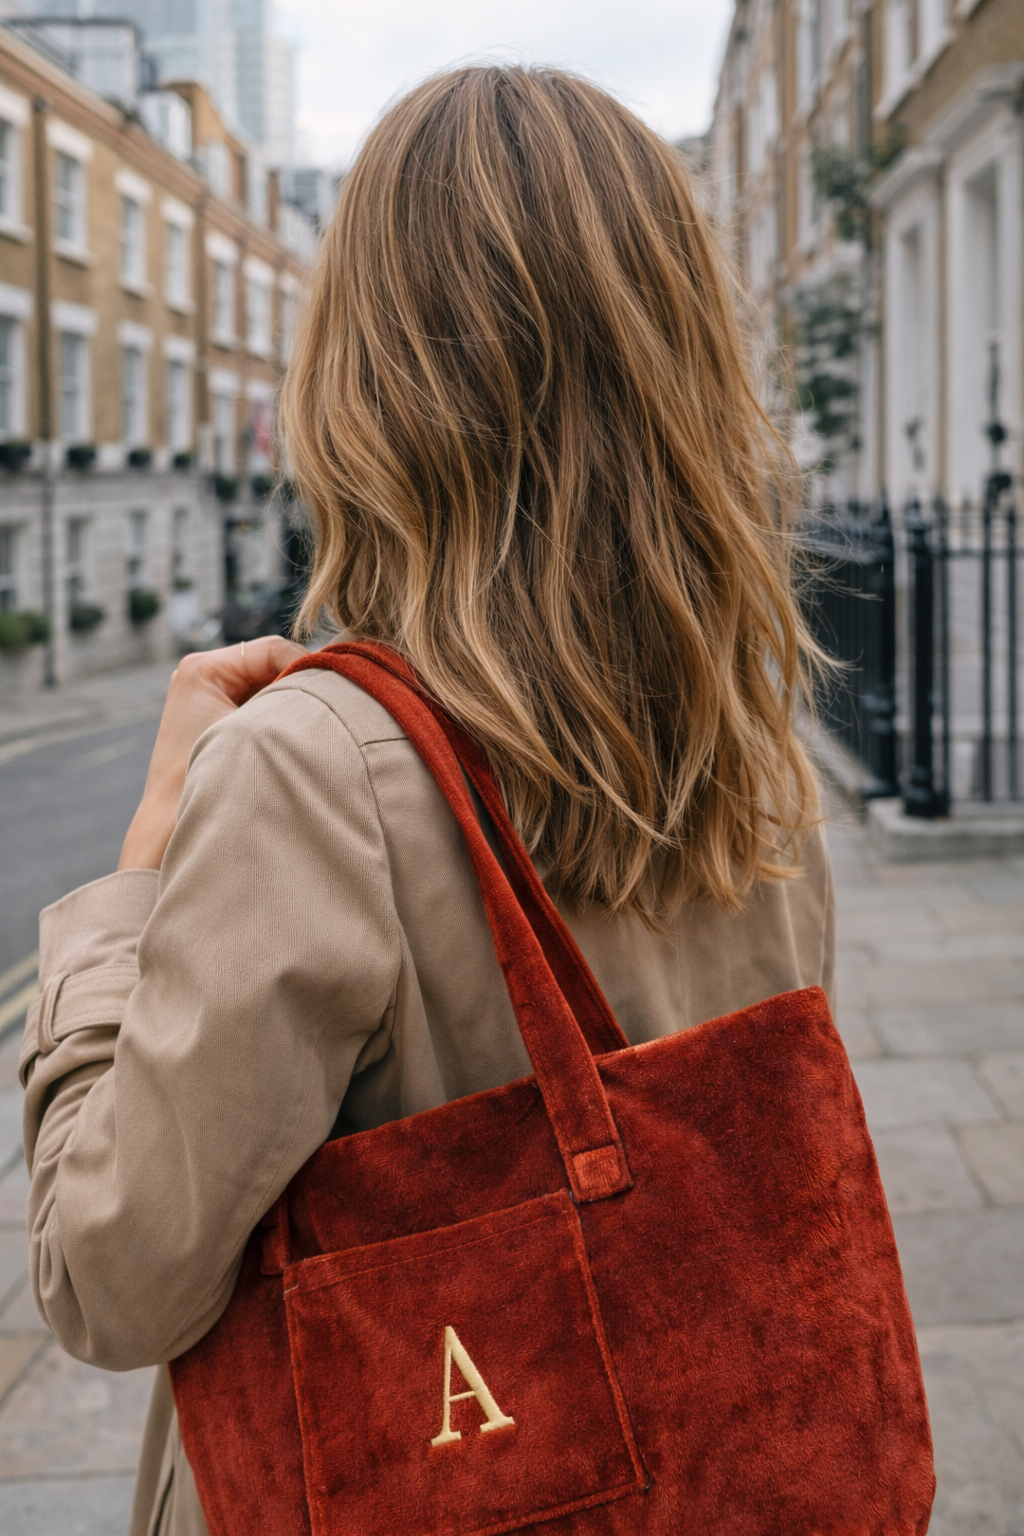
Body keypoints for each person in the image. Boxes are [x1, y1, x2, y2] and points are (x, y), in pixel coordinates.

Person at [20, 65, 833, 1536]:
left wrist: (137, 880)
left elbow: (108, 1275)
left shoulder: (315, 770)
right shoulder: (750, 747)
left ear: (368, 372)